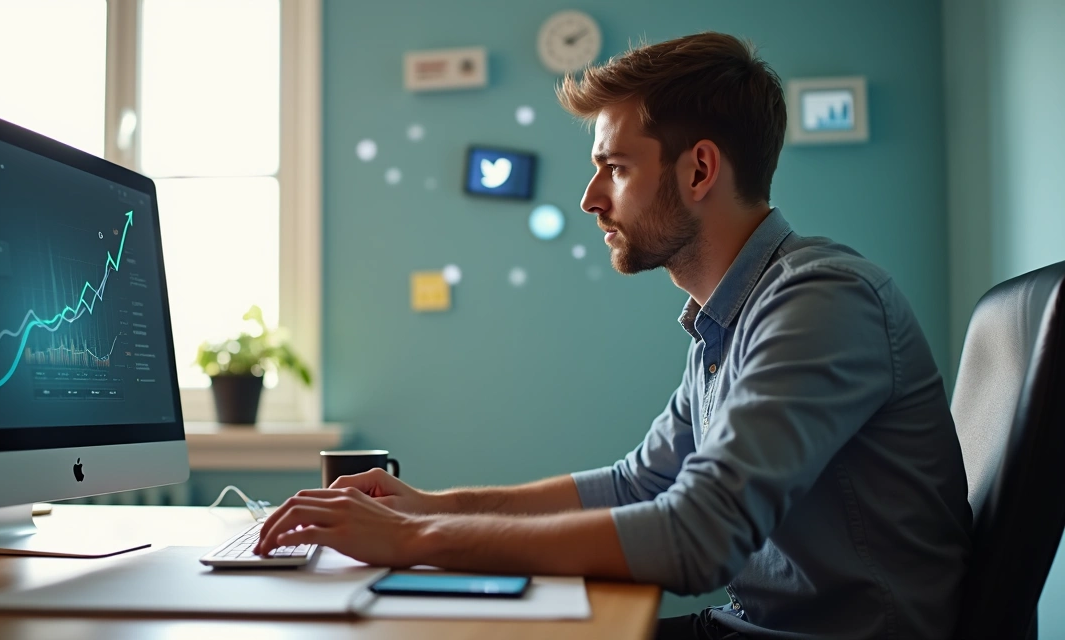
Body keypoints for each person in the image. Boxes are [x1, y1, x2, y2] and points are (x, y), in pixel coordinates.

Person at [255, 32, 972, 640]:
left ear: (699, 170)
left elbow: (696, 539)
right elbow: (640, 483)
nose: (591, 198)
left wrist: (416, 541)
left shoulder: (819, 301)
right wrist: (431, 505)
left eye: (616, 168)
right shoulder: (732, 319)